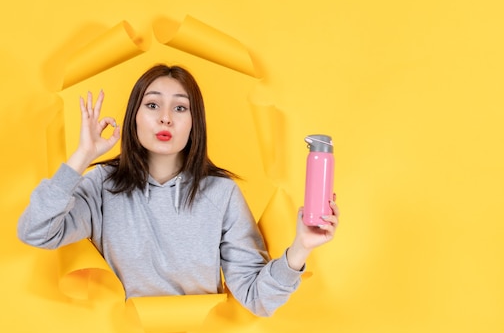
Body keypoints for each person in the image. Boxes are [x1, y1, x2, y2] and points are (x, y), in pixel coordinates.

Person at [17, 64, 339, 317]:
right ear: (134, 119)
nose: (166, 119)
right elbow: (36, 231)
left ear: (194, 122)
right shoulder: (102, 185)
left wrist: (301, 247)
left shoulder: (221, 194)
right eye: (153, 105)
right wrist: (82, 157)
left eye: (180, 108)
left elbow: (257, 298)